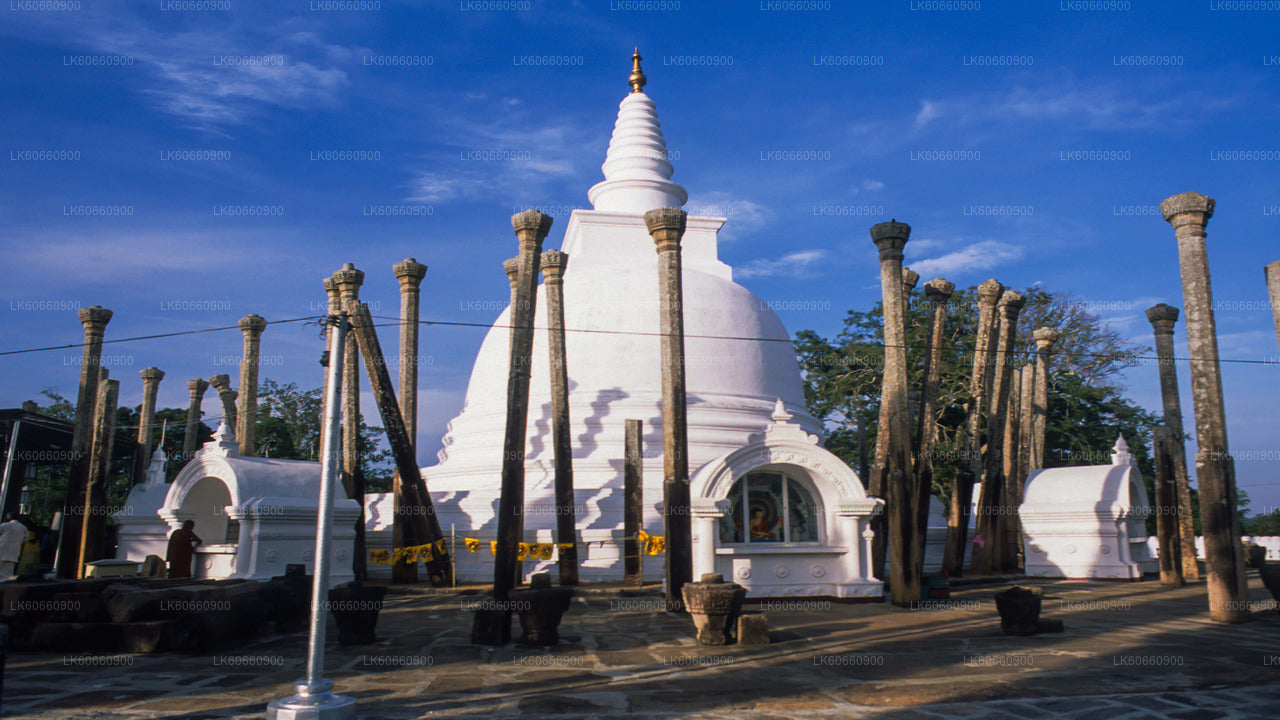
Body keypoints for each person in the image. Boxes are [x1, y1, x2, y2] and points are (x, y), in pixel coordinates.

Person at [0, 513, 27, 579]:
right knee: (7, 575)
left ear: (7, 518)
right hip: (13, 553)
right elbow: (25, 540)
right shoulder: (23, 528)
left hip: (2, 550)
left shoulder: (4, 525)